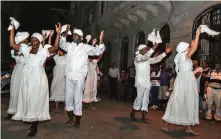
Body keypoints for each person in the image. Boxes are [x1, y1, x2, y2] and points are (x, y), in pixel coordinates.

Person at [11, 23, 61, 137]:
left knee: (36, 101)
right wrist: (12, 29)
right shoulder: (26, 49)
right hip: (27, 78)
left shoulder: (44, 51)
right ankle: (30, 119)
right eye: (32, 39)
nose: (33, 41)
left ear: (39, 41)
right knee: (26, 99)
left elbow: (55, 47)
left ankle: (34, 127)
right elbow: (12, 44)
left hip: (38, 78)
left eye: (35, 40)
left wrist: (58, 34)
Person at [59, 25, 105, 129]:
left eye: (76, 35)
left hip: (79, 77)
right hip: (69, 75)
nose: (74, 36)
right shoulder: (69, 45)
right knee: (68, 99)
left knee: (77, 99)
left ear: (80, 37)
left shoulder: (85, 47)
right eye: (73, 35)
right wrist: (65, 33)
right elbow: (61, 44)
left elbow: (98, 51)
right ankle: (71, 118)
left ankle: (77, 121)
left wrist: (101, 41)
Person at [162, 27, 201, 135]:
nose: (190, 48)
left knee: (188, 101)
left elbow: (193, 46)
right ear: (184, 49)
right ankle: (165, 124)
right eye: (188, 47)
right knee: (178, 101)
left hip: (187, 80)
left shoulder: (183, 55)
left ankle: (188, 127)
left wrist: (193, 41)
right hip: (184, 81)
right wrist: (197, 35)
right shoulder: (183, 55)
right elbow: (195, 47)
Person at [130, 43, 172, 123]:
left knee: (146, 99)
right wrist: (153, 48)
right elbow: (145, 57)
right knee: (139, 98)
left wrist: (165, 53)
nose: (146, 50)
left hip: (147, 82)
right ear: (140, 50)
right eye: (145, 49)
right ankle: (133, 112)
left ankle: (144, 117)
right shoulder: (137, 58)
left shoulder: (147, 58)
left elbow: (156, 59)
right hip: (140, 82)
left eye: (147, 49)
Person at [5, 31, 29, 120]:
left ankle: (23, 112)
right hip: (17, 70)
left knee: (23, 91)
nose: (27, 40)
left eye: (26, 40)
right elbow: (15, 54)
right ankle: (12, 111)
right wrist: (17, 52)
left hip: (25, 70)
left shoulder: (28, 48)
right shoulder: (16, 49)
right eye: (25, 40)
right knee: (14, 90)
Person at [50, 48, 66, 113]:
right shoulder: (56, 57)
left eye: (61, 51)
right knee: (56, 89)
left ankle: (65, 108)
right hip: (57, 76)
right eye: (59, 51)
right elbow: (51, 50)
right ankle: (56, 108)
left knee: (64, 90)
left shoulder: (67, 57)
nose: (60, 52)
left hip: (64, 76)